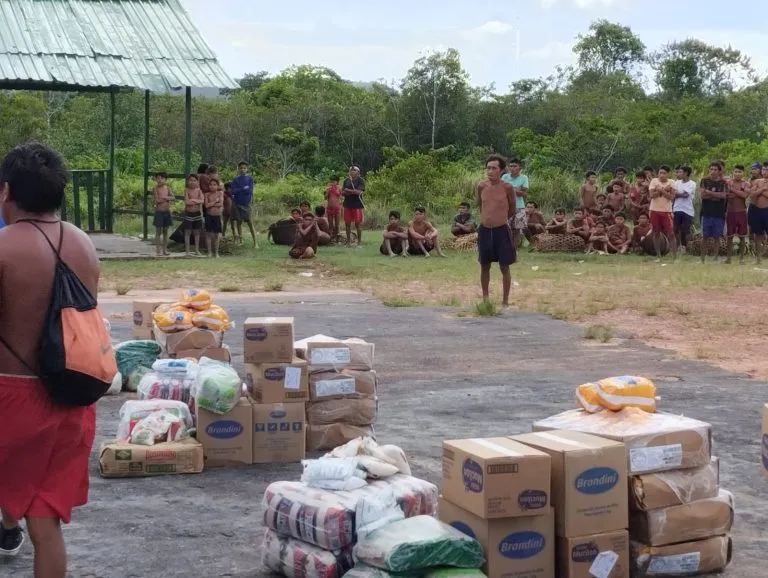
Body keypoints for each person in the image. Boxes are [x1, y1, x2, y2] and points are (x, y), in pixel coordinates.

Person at [0, 143, 100, 577]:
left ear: (6, 191)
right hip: (72, 398)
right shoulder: (82, 244)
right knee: (45, 524)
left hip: (11, 399)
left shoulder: (4, 247)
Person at [477, 155, 516, 306]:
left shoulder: (507, 187)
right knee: (484, 265)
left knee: (504, 266)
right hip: (485, 230)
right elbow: (480, 205)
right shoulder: (482, 186)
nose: (491, 171)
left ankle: (505, 301)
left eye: (494, 168)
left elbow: (512, 208)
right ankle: (485, 298)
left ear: (501, 170)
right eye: (488, 168)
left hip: (501, 230)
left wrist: (500, 218)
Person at [699, 162, 728, 263]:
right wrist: (716, 195)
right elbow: (702, 196)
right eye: (711, 169)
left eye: (715, 170)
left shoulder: (723, 182)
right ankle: (702, 258)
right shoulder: (704, 180)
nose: (713, 171)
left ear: (719, 171)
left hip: (718, 213)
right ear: (709, 170)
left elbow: (724, 195)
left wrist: (710, 193)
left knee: (717, 237)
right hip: (706, 212)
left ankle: (715, 257)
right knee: (705, 236)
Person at [648, 165, 677, 260]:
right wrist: (664, 190)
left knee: (671, 233)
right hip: (654, 210)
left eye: (664, 173)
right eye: (660, 173)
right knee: (656, 233)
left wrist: (661, 190)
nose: (662, 175)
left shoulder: (672, 182)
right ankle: (658, 255)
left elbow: (672, 197)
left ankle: (674, 256)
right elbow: (652, 195)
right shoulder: (654, 181)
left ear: (668, 174)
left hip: (667, 211)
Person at [501, 158, 529, 247]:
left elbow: (524, 193)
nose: (512, 168)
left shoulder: (524, 178)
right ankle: (506, 246)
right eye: (511, 166)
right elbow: (501, 190)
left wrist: (511, 190)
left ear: (519, 168)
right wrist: (516, 190)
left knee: (517, 228)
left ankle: (514, 247)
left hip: (519, 206)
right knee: (506, 227)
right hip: (506, 206)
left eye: (515, 166)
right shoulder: (505, 177)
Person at [726, 164, 749, 264]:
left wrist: (733, 190)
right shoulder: (728, 183)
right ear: (732, 172)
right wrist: (738, 193)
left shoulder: (746, 184)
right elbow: (727, 196)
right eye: (736, 171)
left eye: (739, 172)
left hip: (741, 212)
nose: (737, 174)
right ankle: (729, 258)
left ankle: (742, 259)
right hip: (730, 212)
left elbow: (745, 195)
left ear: (743, 173)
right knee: (730, 236)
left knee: (742, 237)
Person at [230, 161, 257, 247]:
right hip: (237, 203)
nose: (243, 169)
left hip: (247, 203)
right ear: (238, 169)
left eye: (244, 168)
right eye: (241, 168)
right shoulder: (235, 179)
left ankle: (255, 242)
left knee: (250, 222)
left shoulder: (250, 179)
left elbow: (250, 191)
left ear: (247, 169)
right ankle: (241, 240)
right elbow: (233, 191)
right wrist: (243, 189)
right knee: (239, 222)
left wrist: (241, 190)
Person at [673, 165, 696, 253]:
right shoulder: (676, 183)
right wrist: (679, 194)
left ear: (686, 173)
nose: (678, 174)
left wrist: (677, 194)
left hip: (687, 210)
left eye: (680, 172)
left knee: (685, 229)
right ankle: (677, 246)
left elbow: (685, 195)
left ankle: (685, 246)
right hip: (677, 208)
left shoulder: (692, 183)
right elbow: (673, 193)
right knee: (676, 229)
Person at [748, 164, 768, 264]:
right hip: (757, 209)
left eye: (767, 170)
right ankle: (758, 259)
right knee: (757, 234)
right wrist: (763, 189)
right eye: (764, 169)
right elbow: (751, 194)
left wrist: (759, 191)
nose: (765, 172)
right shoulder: (757, 181)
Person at [152, 171, 173, 257]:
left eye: (162, 178)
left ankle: (165, 249)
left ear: (165, 179)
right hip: (159, 212)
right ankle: (158, 250)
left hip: (166, 212)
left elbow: (173, 197)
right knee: (158, 231)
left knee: (165, 231)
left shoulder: (168, 188)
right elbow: (157, 200)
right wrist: (167, 199)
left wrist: (165, 197)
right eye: (158, 178)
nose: (159, 180)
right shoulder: (155, 189)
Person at [342, 166, 365, 246]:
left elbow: (359, 192)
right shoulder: (346, 180)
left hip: (357, 205)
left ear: (358, 172)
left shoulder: (360, 180)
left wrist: (348, 190)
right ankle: (348, 242)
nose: (352, 172)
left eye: (354, 170)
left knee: (358, 224)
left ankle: (359, 242)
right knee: (347, 224)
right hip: (347, 204)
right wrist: (351, 191)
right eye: (351, 170)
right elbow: (343, 192)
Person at [183, 174, 203, 256]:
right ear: (188, 181)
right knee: (187, 232)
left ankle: (197, 250)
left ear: (197, 182)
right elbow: (187, 202)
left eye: (194, 180)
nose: (192, 182)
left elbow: (202, 200)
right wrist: (196, 200)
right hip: (188, 213)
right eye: (191, 180)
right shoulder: (186, 190)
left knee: (197, 232)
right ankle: (187, 251)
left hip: (197, 213)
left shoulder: (199, 190)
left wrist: (193, 199)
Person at [204, 177, 223, 258]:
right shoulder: (206, 194)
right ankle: (209, 252)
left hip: (217, 216)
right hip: (209, 216)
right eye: (211, 185)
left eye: (214, 185)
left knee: (216, 235)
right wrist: (215, 201)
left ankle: (216, 253)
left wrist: (212, 204)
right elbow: (206, 206)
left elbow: (221, 204)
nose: (212, 186)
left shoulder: (220, 193)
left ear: (217, 186)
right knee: (208, 234)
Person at [325, 175, 342, 239]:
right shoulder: (328, 188)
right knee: (330, 225)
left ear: (337, 182)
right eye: (331, 181)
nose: (332, 183)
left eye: (334, 181)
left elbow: (341, 196)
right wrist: (327, 191)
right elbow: (325, 197)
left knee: (337, 225)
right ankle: (331, 238)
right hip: (329, 208)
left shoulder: (339, 188)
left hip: (337, 208)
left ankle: (337, 238)